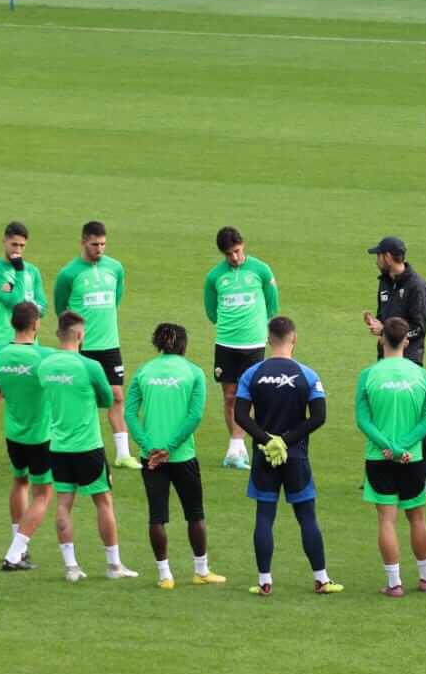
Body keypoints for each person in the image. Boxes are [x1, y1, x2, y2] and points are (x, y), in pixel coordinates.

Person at [233, 316, 342, 596]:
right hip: (296, 458)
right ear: (294, 338)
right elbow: (319, 417)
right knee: (307, 517)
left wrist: (267, 440)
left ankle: (264, 581)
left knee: (264, 516)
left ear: (269, 340)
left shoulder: (252, 374)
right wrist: (287, 441)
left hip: (264, 457)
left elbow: (240, 416)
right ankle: (321, 579)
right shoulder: (308, 375)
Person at [125, 323, 223, 589]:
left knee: (157, 516)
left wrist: (148, 447)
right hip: (182, 456)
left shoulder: (143, 371)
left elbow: (130, 414)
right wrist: (170, 446)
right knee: (195, 513)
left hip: (151, 459)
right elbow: (195, 416)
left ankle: (164, 575)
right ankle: (201, 571)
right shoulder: (193, 372)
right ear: (183, 344)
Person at [40, 312, 136, 582]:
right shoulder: (90, 366)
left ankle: (71, 567)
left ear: (59, 334)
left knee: (63, 504)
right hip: (87, 446)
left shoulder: (45, 365)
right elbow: (108, 399)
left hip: (58, 445)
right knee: (104, 502)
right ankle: (114, 565)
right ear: (80, 335)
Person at [356, 318, 426, 597]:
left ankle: (394, 584)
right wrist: (404, 445)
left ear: (381, 340)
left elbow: (363, 419)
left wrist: (387, 446)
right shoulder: (420, 374)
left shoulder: (368, 375)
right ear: (406, 341)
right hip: (411, 457)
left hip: (379, 457)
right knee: (417, 518)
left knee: (387, 520)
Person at [54, 221, 140, 470]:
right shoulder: (69, 273)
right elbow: (62, 309)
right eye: (94, 245)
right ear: (83, 242)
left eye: (103, 244)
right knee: (81, 398)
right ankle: (74, 446)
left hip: (109, 344)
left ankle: (123, 454)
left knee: (116, 396)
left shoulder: (115, 268)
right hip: (82, 347)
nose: (99, 249)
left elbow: (117, 299)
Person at [203, 226, 280, 471]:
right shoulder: (215, 277)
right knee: (229, 397)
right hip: (226, 343)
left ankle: (236, 447)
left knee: (249, 396)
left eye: (236, 251)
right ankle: (237, 447)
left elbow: (272, 302)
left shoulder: (261, 270)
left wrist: (262, 327)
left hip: (254, 343)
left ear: (243, 245)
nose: (234, 257)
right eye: (229, 254)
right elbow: (211, 311)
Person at [363, 236, 426, 482]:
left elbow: (420, 328)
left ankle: (424, 476)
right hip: (384, 358)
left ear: (388, 257)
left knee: (415, 417)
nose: (376, 260)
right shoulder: (384, 283)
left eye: (378, 255)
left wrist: (387, 333)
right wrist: (377, 323)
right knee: (382, 410)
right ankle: (383, 466)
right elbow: (385, 316)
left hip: (410, 360)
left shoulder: (417, 286)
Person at [0, 302, 53, 572]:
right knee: (43, 494)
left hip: (13, 432)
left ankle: (20, 545)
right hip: (40, 435)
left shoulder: (0, 354)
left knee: (19, 482)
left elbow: (0, 389)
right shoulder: (44, 356)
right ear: (35, 324)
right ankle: (15, 552)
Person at [0, 222, 46, 474]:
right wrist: (18, 272)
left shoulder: (33, 271)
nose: (18, 250)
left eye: (22, 246)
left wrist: (32, 305)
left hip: (31, 343)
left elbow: (42, 305)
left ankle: (30, 444)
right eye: (14, 244)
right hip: (1, 343)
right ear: (4, 241)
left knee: (31, 395)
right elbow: (16, 302)